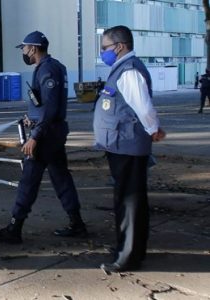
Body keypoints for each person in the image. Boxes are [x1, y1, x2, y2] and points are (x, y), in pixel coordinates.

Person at [0, 31, 87, 244]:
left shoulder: (47, 69)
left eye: (24, 48)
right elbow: (44, 104)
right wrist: (31, 117)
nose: (23, 52)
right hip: (52, 133)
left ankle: (14, 229)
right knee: (61, 179)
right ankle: (77, 223)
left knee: (28, 182)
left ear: (33, 48)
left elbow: (51, 107)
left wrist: (35, 135)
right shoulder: (53, 67)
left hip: (45, 137)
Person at [95, 25, 166, 273]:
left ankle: (128, 257)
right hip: (121, 145)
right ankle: (127, 249)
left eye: (105, 48)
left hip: (128, 145)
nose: (103, 52)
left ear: (119, 46)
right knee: (126, 199)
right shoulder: (121, 69)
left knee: (130, 202)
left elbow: (143, 107)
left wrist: (153, 129)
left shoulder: (129, 71)